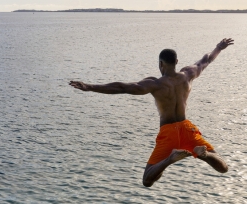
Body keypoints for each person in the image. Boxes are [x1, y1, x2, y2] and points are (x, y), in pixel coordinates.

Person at [70, 38, 234, 187]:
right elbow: (205, 61)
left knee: (147, 180)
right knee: (222, 166)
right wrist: (219, 47)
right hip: (187, 129)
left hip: (168, 132)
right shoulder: (188, 75)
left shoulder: (154, 84)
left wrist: (89, 87)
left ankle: (170, 159)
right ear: (176, 62)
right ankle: (204, 155)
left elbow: (122, 87)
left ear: (161, 64)